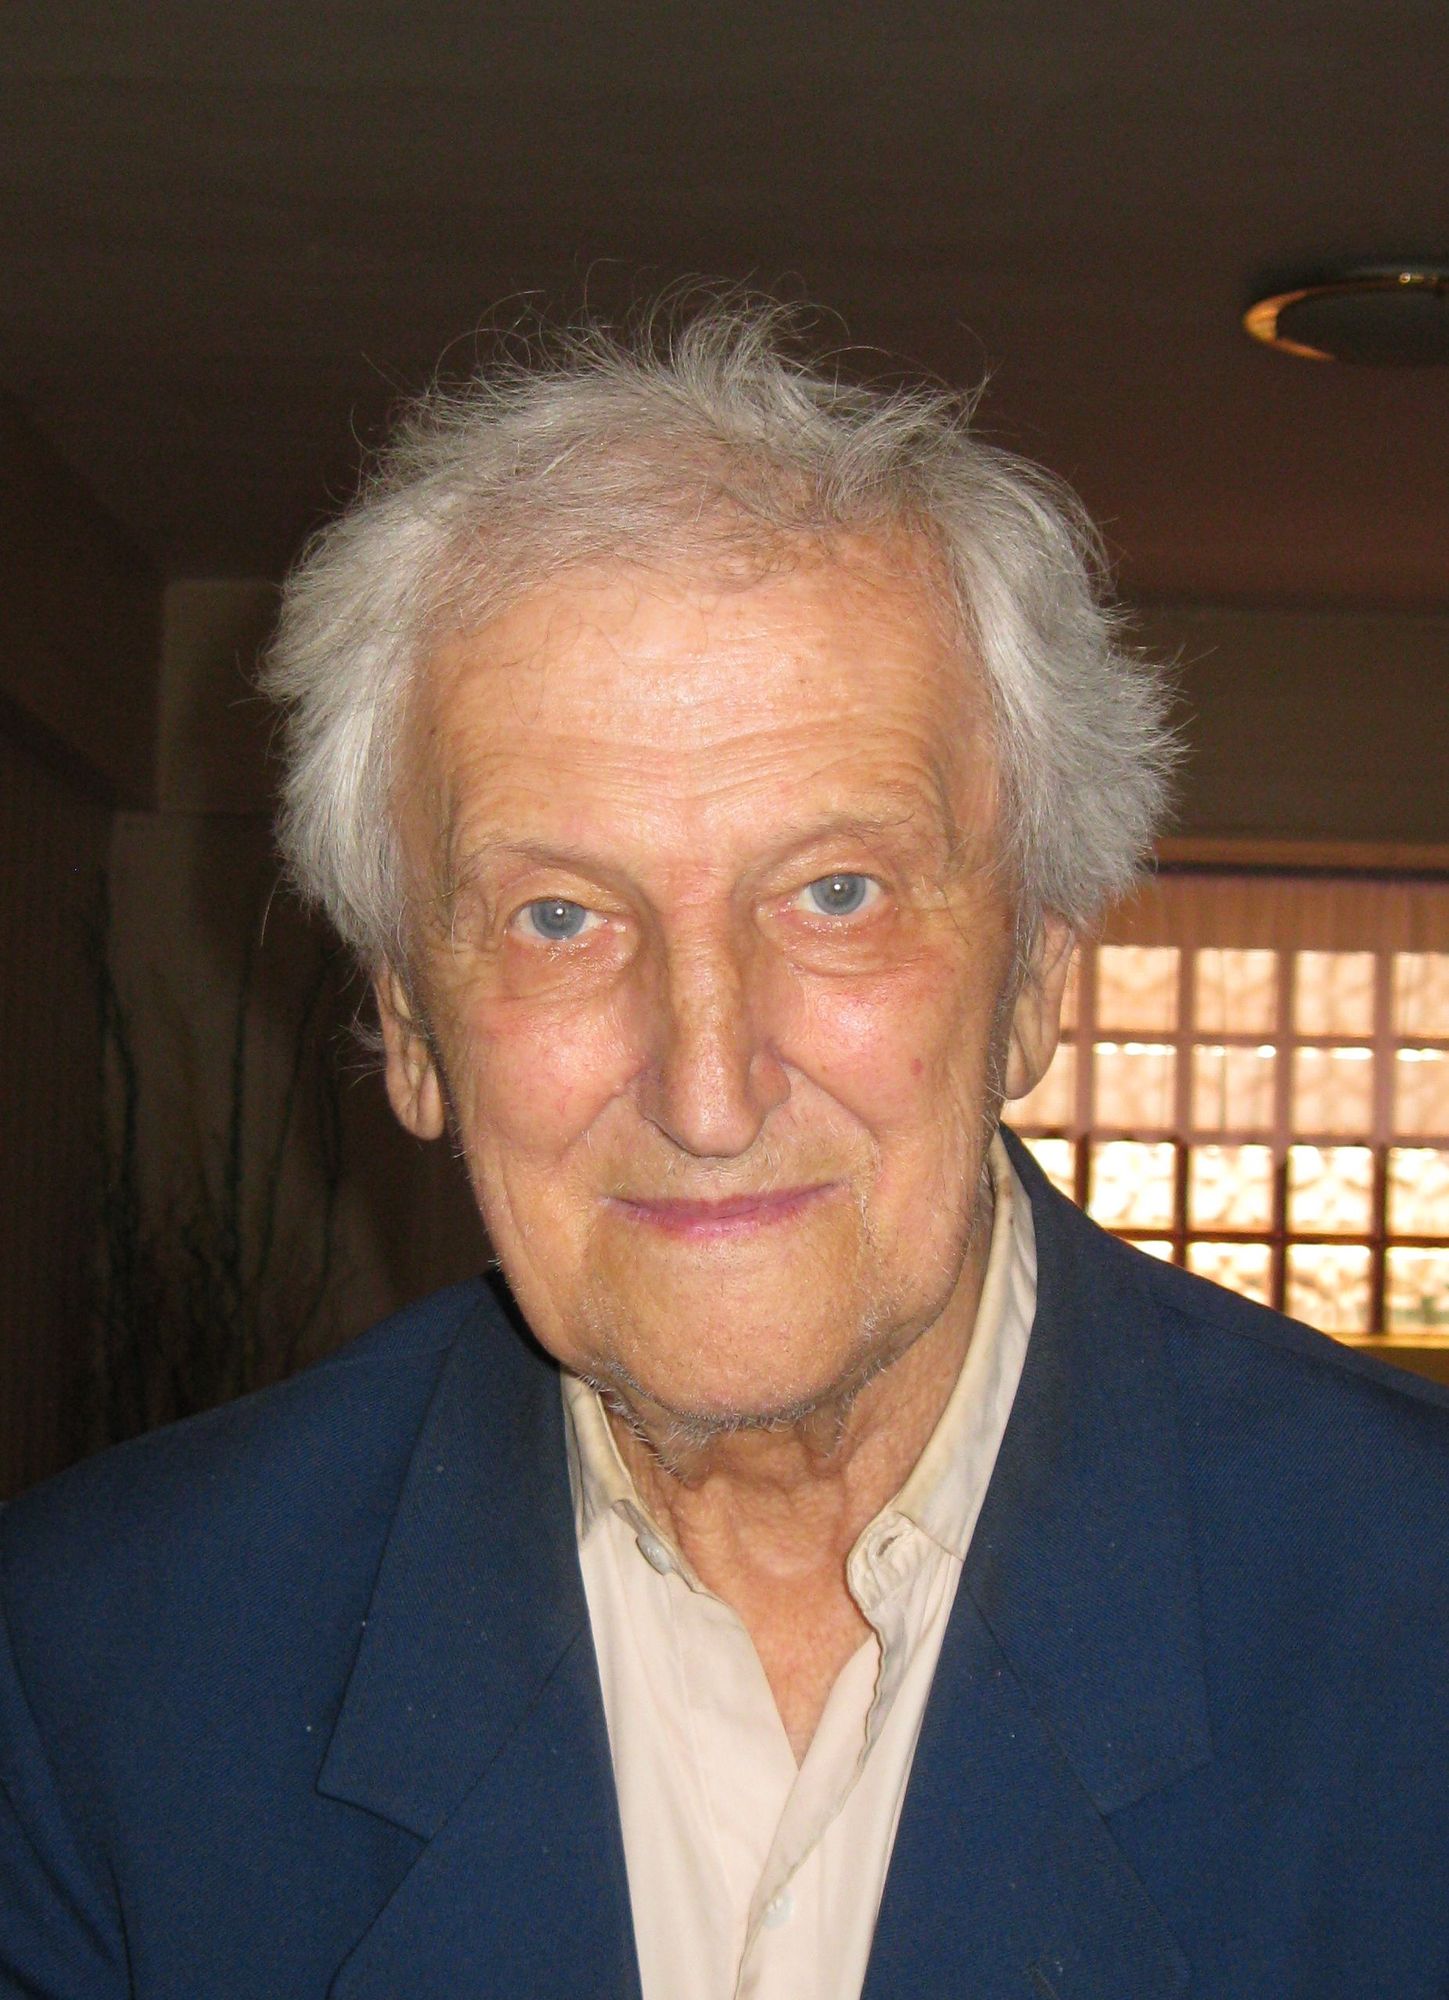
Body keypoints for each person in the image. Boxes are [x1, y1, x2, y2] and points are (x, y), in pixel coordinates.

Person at [2, 303, 1447, 2000]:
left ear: (1035, 979)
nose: (706, 1090)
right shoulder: (100, 1666)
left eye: (836, 893)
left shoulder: (1406, 1613)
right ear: (409, 1029)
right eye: (556, 916)